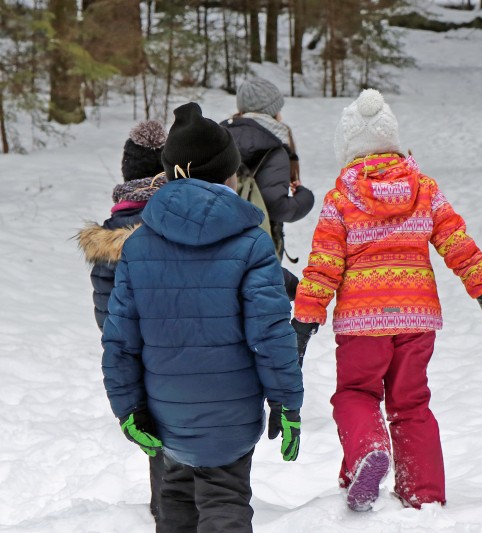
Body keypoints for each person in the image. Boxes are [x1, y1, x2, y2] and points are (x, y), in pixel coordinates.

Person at [291, 89, 482, 512]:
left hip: (362, 324)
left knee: (356, 392)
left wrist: (304, 319)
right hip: (416, 319)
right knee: (411, 402)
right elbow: (457, 242)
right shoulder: (424, 189)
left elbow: (323, 266)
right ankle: (423, 493)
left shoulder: (341, 198)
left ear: (348, 147)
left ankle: (367, 452)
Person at [101, 102, 303, 532]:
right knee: (225, 498)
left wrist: (127, 408)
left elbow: (120, 340)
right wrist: (286, 402)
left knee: (175, 496)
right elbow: (270, 334)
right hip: (232, 416)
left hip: (166, 413)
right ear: (229, 176)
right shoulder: (252, 244)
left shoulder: (137, 246)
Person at [77, 119, 167, 521]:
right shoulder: (178, 223)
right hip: (180, 344)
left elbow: (105, 309)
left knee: (154, 431)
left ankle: (163, 506)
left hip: (135, 353)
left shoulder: (109, 235)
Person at [222, 77, 315, 261]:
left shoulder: (220, 137)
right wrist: (305, 197)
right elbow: (276, 207)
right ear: (271, 111)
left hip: (219, 242)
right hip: (258, 251)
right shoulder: (274, 148)